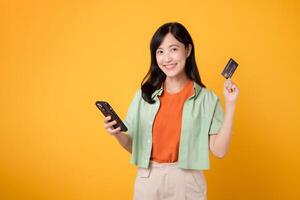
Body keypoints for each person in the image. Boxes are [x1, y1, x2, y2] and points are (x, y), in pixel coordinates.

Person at [103, 22, 239, 200]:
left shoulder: (207, 99)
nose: (166, 58)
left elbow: (219, 151)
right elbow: (132, 145)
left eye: (173, 49)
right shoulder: (144, 95)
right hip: (148, 179)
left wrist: (231, 105)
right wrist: (116, 133)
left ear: (188, 50)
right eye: (160, 51)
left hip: (187, 182)